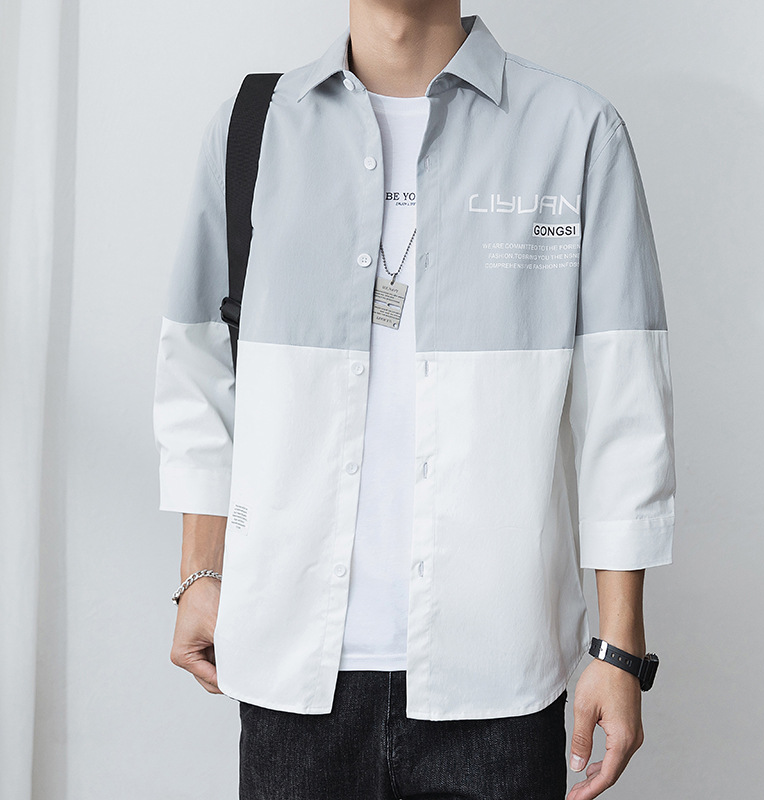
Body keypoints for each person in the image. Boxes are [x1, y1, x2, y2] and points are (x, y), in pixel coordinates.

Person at [153, 1, 676, 798]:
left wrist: (619, 648)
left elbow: (625, 406)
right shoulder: (252, 128)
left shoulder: (576, 132)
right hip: (291, 670)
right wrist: (200, 571)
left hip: (499, 678)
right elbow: (199, 362)